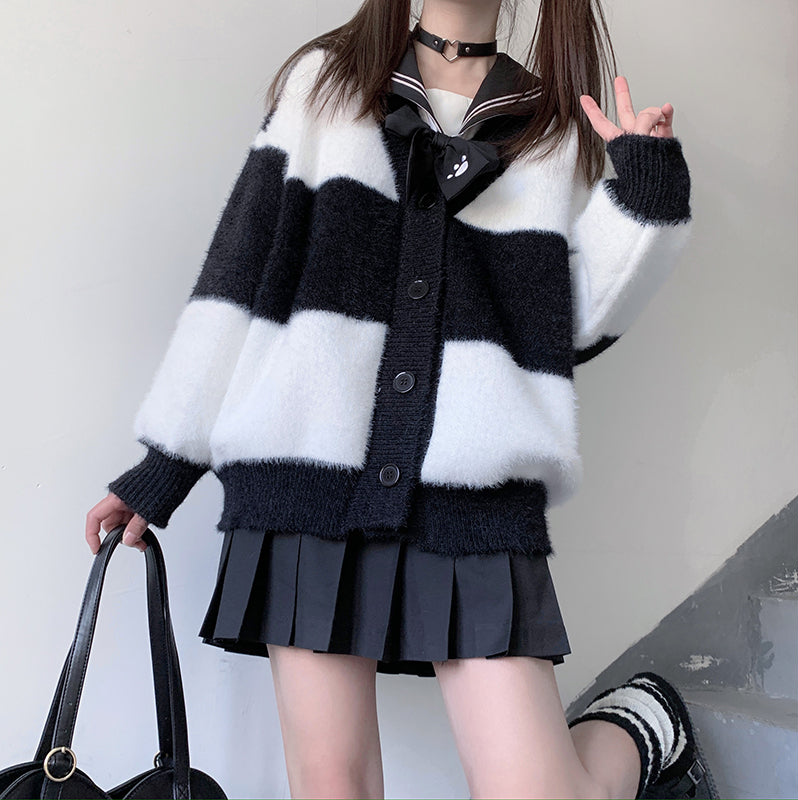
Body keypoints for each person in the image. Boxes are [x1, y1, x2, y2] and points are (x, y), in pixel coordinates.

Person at [86, 1, 718, 798]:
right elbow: (239, 274)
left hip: (473, 496)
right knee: (333, 784)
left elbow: (564, 325)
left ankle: (639, 727)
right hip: (306, 483)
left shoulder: (546, 126)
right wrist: (167, 464)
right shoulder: (326, 84)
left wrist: (648, 190)